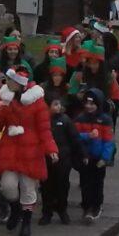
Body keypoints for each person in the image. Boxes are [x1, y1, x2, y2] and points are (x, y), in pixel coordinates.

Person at [0, 68, 58, 236]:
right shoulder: (5, 100)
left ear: (19, 83)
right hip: (10, 149)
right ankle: (15, 209)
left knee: (28, 188)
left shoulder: (37, 103)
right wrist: (0, 111)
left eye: (10, 80)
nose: (6, 83)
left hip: (31, 152)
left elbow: (44, 129)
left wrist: (51, 149)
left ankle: (26, 222)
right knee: (7, 187)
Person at [39, 96, 83, 226]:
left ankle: (62, 210)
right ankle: (47, 212)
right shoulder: (43, 120)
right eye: (55, 104)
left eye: (59, 104)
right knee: (46, 187)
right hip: (46, 159)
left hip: (63, 159)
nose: (58, 107)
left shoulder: (65, 120)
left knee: (63, 186)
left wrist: (81, 154)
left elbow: (75, 138)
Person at [74, 88, 114, 224]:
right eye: (87, 103)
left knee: (97, 182)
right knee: (85, 182)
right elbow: (75, 137)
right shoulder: (80, 118)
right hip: (85, 157)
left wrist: (105, 158)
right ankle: (86, 206)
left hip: (99, 158)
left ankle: (96, 205)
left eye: (92, 104)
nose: (89, 106)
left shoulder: (105, 120)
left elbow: (109, 141)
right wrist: (88, 136)